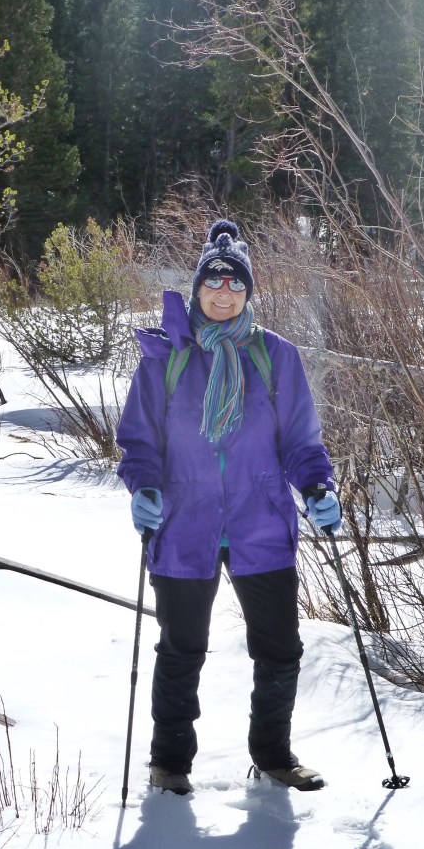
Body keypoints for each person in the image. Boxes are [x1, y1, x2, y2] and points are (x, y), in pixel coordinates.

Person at [116, 219, 340, 796]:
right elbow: (139, 442)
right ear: (196, 289)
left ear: (248, 290)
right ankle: (170, 764)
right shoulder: (166, 357)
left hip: (260, 524)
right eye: (212, 282)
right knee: (181, 648)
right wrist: (144, 488)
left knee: (280, 649)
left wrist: (317, 487)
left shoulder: (275, 355)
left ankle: (274, 756)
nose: (224, 292)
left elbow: (300, 441)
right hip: (183, 526)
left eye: (235, 283)